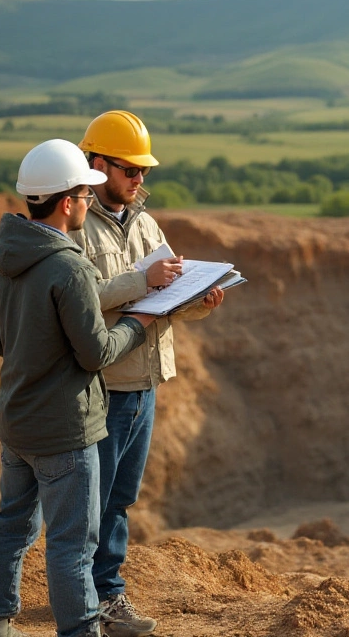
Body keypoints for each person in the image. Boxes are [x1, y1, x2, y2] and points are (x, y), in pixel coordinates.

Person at [0, 139, 159, 637]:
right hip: (67, 427)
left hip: (17, 422)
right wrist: (139, 323)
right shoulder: (70, 266)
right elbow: (96, 353)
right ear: (67, 202)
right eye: (84, 193)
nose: (87, 202)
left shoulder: (5, 261)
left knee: (11, 526)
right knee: (72, 545)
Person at [69, 110, 225, 637]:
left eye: (144, 172)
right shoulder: (75, 227)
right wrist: (140, 279)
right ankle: (90, 601)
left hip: (145, 382)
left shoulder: (145, 223)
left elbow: (164, 296)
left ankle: (103, 596)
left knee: (119, 499)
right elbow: (78, 298)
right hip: (105, 384)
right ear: (96, 164)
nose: (139, 180)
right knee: (91, 502)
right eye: (129, 169)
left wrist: (200, 300)